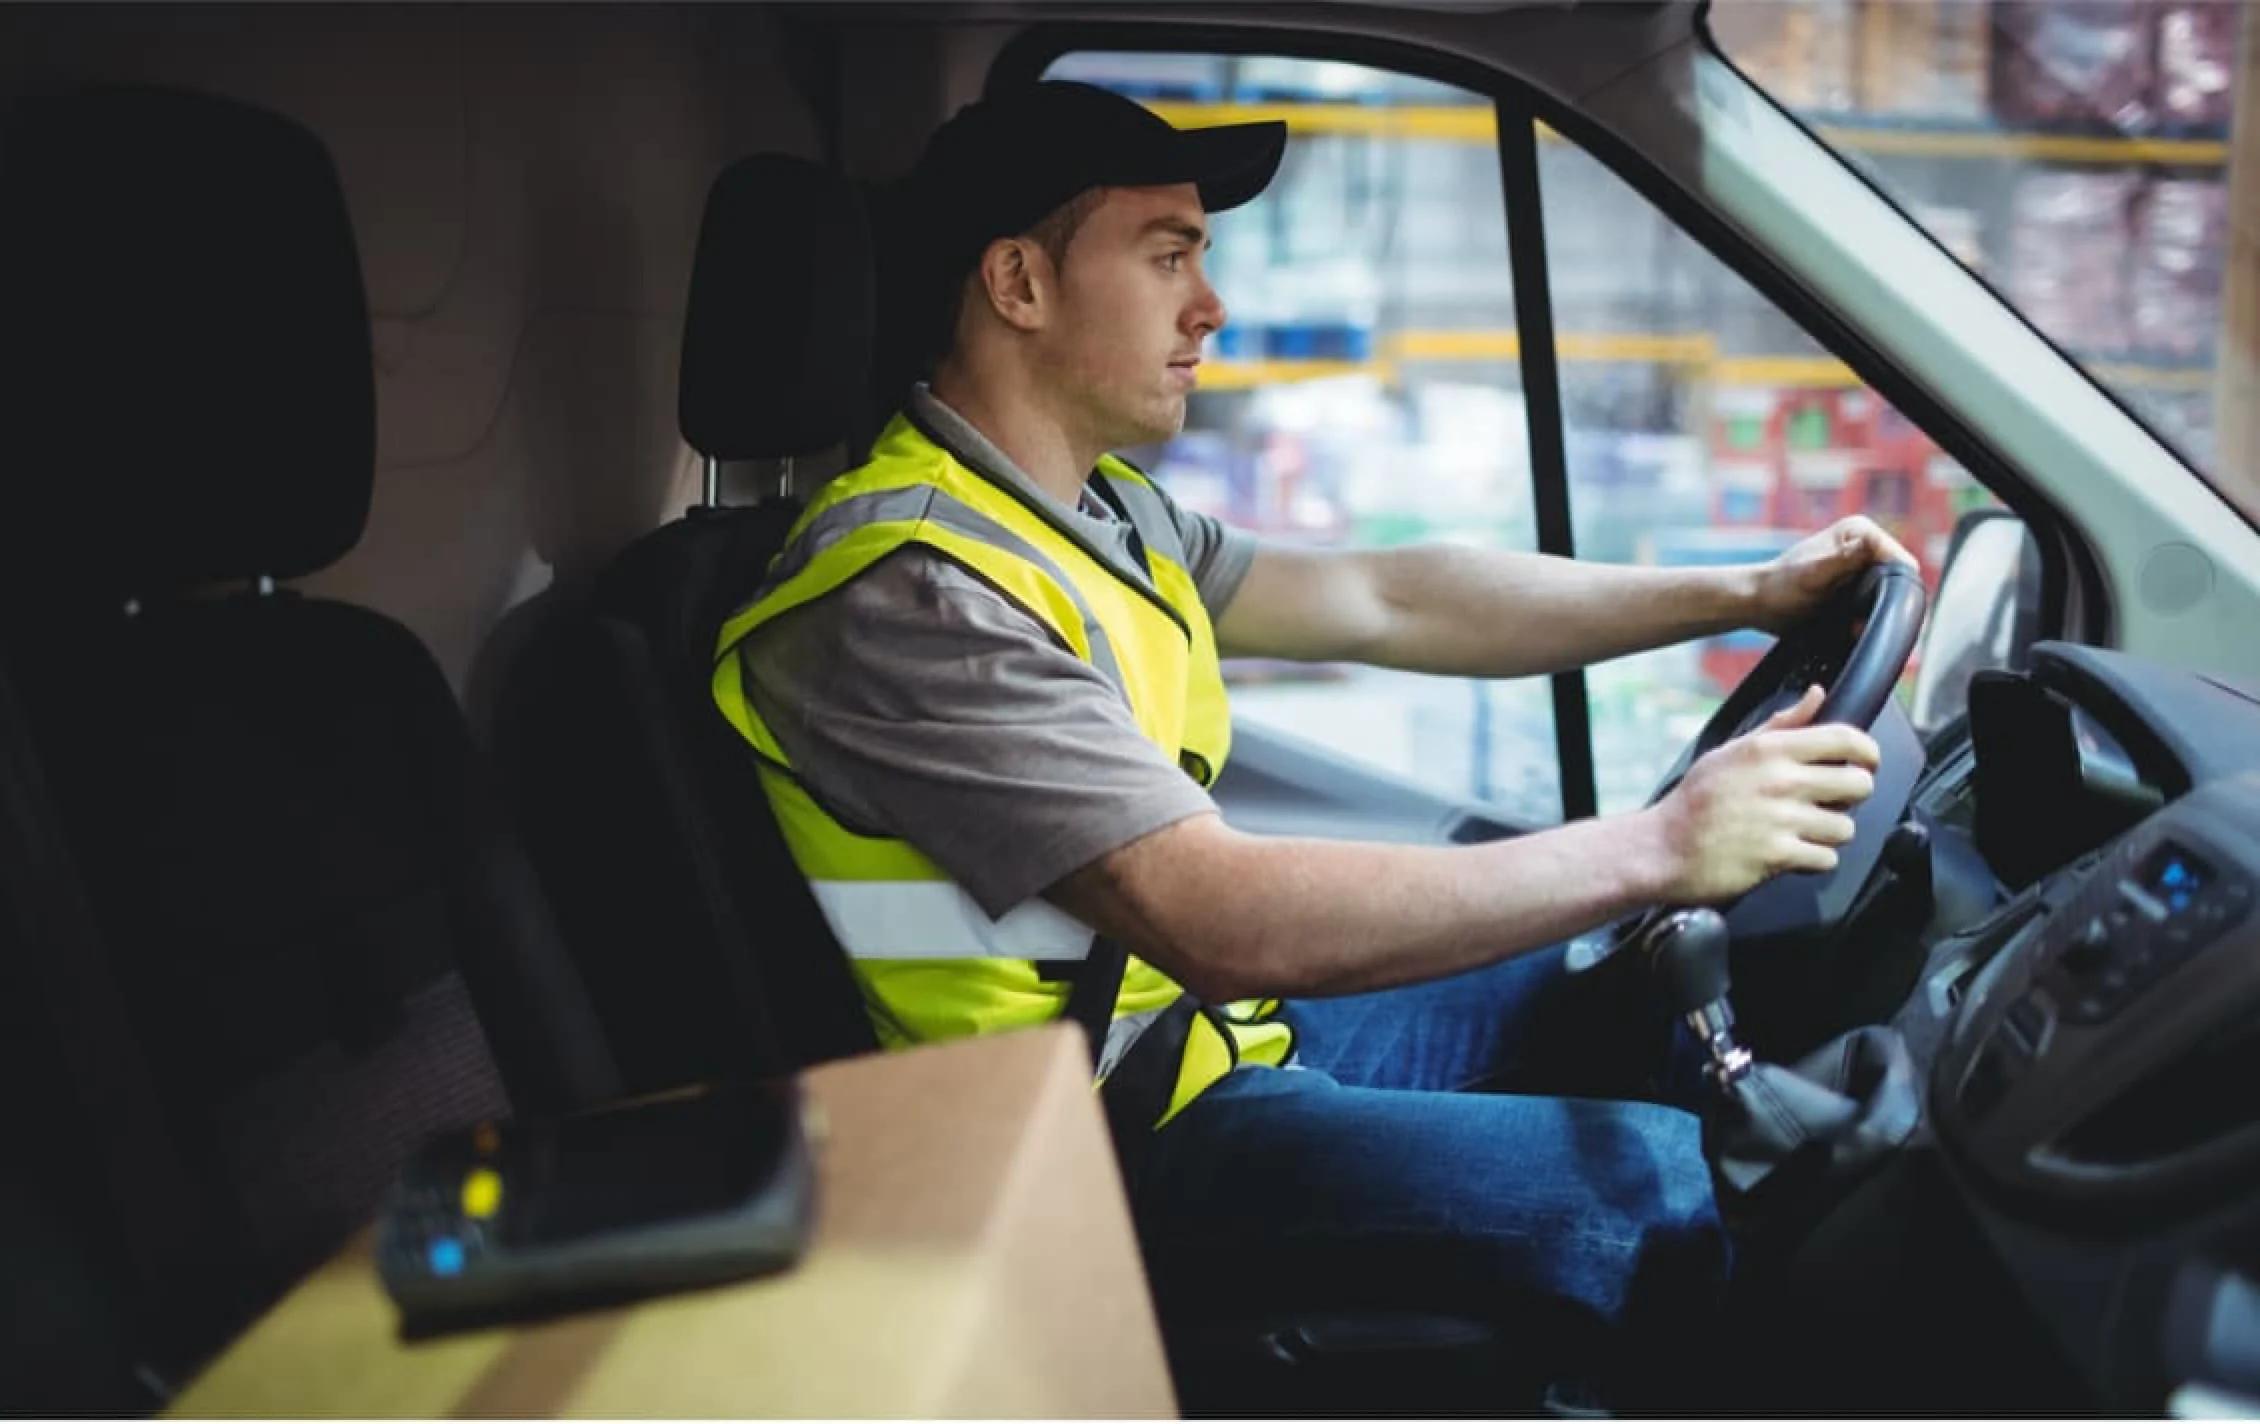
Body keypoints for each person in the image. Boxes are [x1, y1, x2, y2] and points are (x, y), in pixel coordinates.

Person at [712, 80, 1917, 1401]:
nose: (1208, 307)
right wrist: (1661, 843)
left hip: (1189, 1045)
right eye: (1167, 256)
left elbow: (1388, 596)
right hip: (1088, 1144)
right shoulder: (911, 591)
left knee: (1609, 984)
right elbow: (1219, 918)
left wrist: (1741, 594)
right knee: (1698, 1197)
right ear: (1019, 283)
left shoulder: (1095, 516)